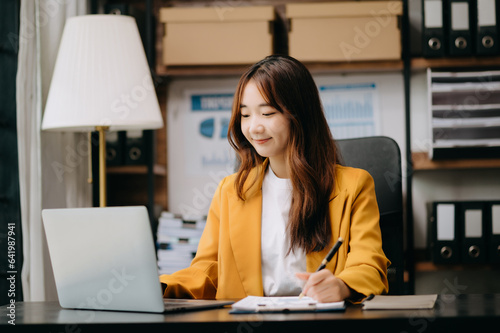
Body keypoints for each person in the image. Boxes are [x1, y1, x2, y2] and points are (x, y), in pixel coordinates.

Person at [160, 55, 389, 303]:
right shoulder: (231, 190)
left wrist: (342, 285)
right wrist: (157, 286)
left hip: (321, 321)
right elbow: (208, 271)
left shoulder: (353, 186)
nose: (254, 127)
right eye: (245, 115)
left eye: (267, 113)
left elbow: (369, 264)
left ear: (299, 115)